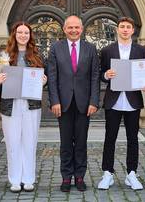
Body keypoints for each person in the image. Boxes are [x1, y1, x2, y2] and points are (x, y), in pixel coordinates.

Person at [0, 21, 46, 193]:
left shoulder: (37, 56)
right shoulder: (4, 56)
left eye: (26, 33)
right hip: (10, 103)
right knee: (13, 142)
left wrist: (44, 82)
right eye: (20, 32)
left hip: (31, 104)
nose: (23, 35)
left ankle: (28, 179)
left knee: (30, 142)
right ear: (14, 35)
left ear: (30, 36)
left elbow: (43, 79)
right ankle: (15, 180)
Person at [47, 15, 100, 192]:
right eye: (70, 27)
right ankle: (66, 177)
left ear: (82, 29)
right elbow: (52, 77)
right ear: (64, 29)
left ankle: (79, 176)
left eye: (77, 27)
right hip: (63, 104)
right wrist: (54, 101)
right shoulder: (55, 48)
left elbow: (94, 77)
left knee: (82, 142)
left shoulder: (90, 48)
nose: (74, 30)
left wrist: (94, 101)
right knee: (65, 143)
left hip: (85, 104)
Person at [97, 16, 145, 190]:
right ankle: (107, 173)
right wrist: (106, 75)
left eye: (128, 27)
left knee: (132, 138)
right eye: (122, 27)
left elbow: (144, 71)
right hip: (114, 100)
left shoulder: (141, 50)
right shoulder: (107, 50)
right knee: (110, 138)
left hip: (133, 100)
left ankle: (131, 173)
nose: (125, 29)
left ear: (133, 31)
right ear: (117, 29)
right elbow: (100, 73)